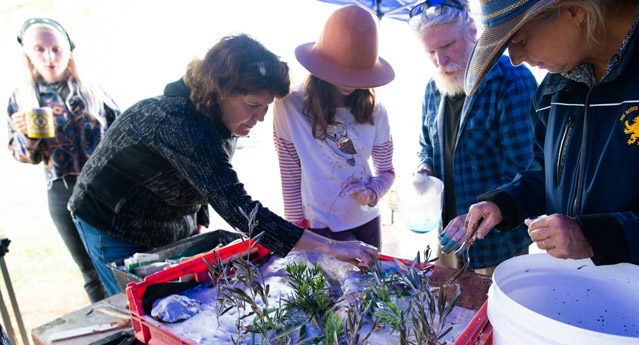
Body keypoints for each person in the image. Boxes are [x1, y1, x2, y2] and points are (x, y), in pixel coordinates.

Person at [68, 34, 379, 296]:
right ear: (219, 91)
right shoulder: (177, 122)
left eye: (265, 107)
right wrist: (330, 247)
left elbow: (203, 176)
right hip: (112, 221)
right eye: (252, 106)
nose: (259, 118)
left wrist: (198, 217)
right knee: (140, 305)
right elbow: (237, 207)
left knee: (177, 297)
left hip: (168, 219)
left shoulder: (218, 117)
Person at [444, 0, 639, 285]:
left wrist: (597, 236)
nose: (514, 59)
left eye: (520, 39)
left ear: (575, 9)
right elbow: (547, 170)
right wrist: (505, 203)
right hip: (582, 287)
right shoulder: (554, 87)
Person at [408, 0, 537, 274]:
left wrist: (479, 211)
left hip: (497, 245)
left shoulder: (512, 81)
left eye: (446, 46)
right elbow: (425, 147)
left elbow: (525, 172)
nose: (439, 60)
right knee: (449, 312)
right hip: (447, 236)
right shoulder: (433, 88)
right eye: (430, 51)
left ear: (472, 30)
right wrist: (424, 169)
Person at [7, 18, 119, 302]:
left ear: (69, 49)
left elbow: (123, 136)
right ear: (28, 54)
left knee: (120, 261)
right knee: (90, 271)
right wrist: (26, 135)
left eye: (56, 48)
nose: (49, 57)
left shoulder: (93, 90)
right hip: (62, 190)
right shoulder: (21, 98)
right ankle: (115, 332)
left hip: (104, 188)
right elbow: (23, 156)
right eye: (40, 49)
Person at [273, 5, 395, 250]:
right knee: (329, 288)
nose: (350, 82)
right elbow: (289, 173)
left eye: (356, 73)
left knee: (371, 286)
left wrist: (371, 193)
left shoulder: (376, 110)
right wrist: (296, 230)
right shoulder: (290, 105)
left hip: (367, 220)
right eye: (342, 72)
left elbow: (387, 172)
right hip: (319, 224)